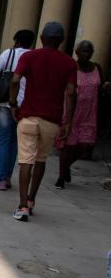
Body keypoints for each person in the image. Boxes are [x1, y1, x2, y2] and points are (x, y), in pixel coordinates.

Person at [10, 22, 77, 222]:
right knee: (40, 159)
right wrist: (68, 121)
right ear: (61, 41)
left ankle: (22, 206)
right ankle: (31, 200)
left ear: (41, 38)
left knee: (25, 161)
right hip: (52, 119)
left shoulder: (29, 56)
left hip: (29, 115)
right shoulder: (68, 63)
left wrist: (13, 103)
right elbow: (72, 92)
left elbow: (15, 80)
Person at [0, 30, 35, 190]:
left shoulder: (9, 53)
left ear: (16, 42)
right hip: (25, 104)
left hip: (6, 102)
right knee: (15, 141)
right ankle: (7, 177)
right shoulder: (34, 57)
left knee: (3, 140)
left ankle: (0, 178)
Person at [55, 40, 103, 189]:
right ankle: (61, 177)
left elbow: (100, 87)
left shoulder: (97, 68)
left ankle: (66, 166)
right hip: (71, 112)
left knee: (84, 146)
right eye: (83, 51)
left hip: (89, 113)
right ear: (76, 53)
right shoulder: (71, 67)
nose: (86, 54)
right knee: (68, 146)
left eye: (89, 51)